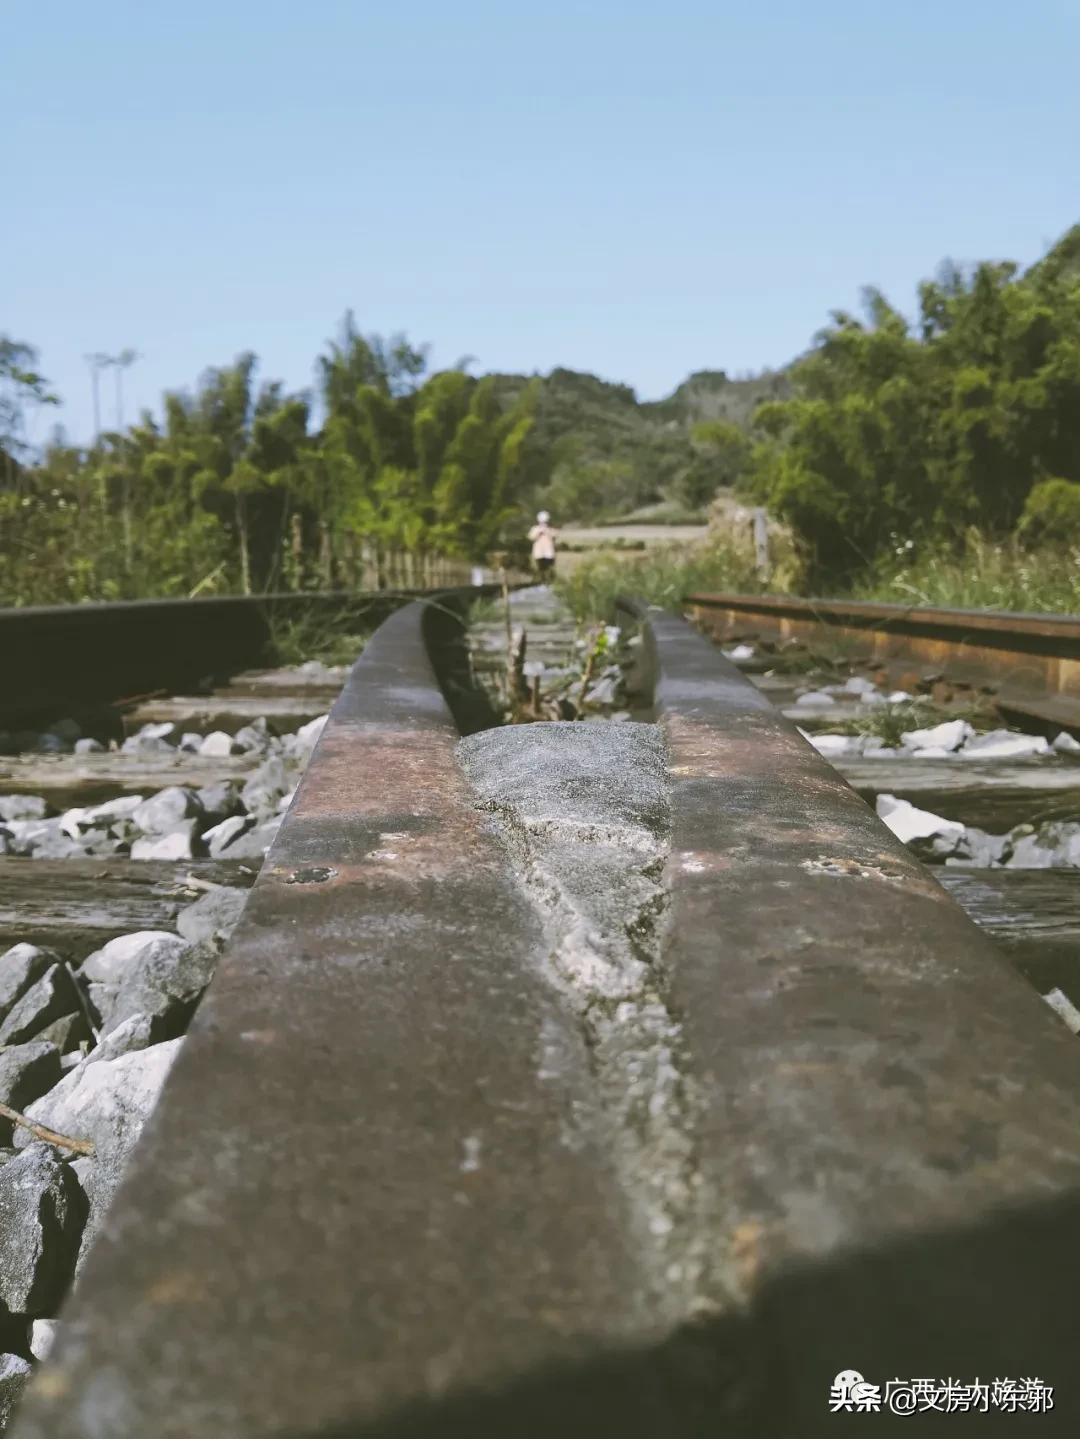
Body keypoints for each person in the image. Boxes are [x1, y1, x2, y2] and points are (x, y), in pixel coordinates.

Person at [528, 510, 558, 580]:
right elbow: (531, 537)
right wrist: (539, 532)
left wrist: (547, 531)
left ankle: (550, 580)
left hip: (549, 552)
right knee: (541, 568)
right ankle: (542, 580)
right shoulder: (535, 529)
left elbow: (555, 535)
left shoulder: (550, 529)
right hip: (539, 553)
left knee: (550, 568)